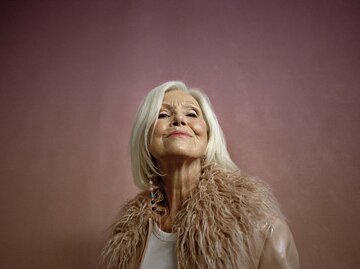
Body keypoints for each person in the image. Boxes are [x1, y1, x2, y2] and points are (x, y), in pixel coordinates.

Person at [102, 81, 299, 269]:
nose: (179, 120)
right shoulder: (127, 236)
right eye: (162, 115)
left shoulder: (261, 228)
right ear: (145, 137)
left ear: (208, 135)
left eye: (192, 113)